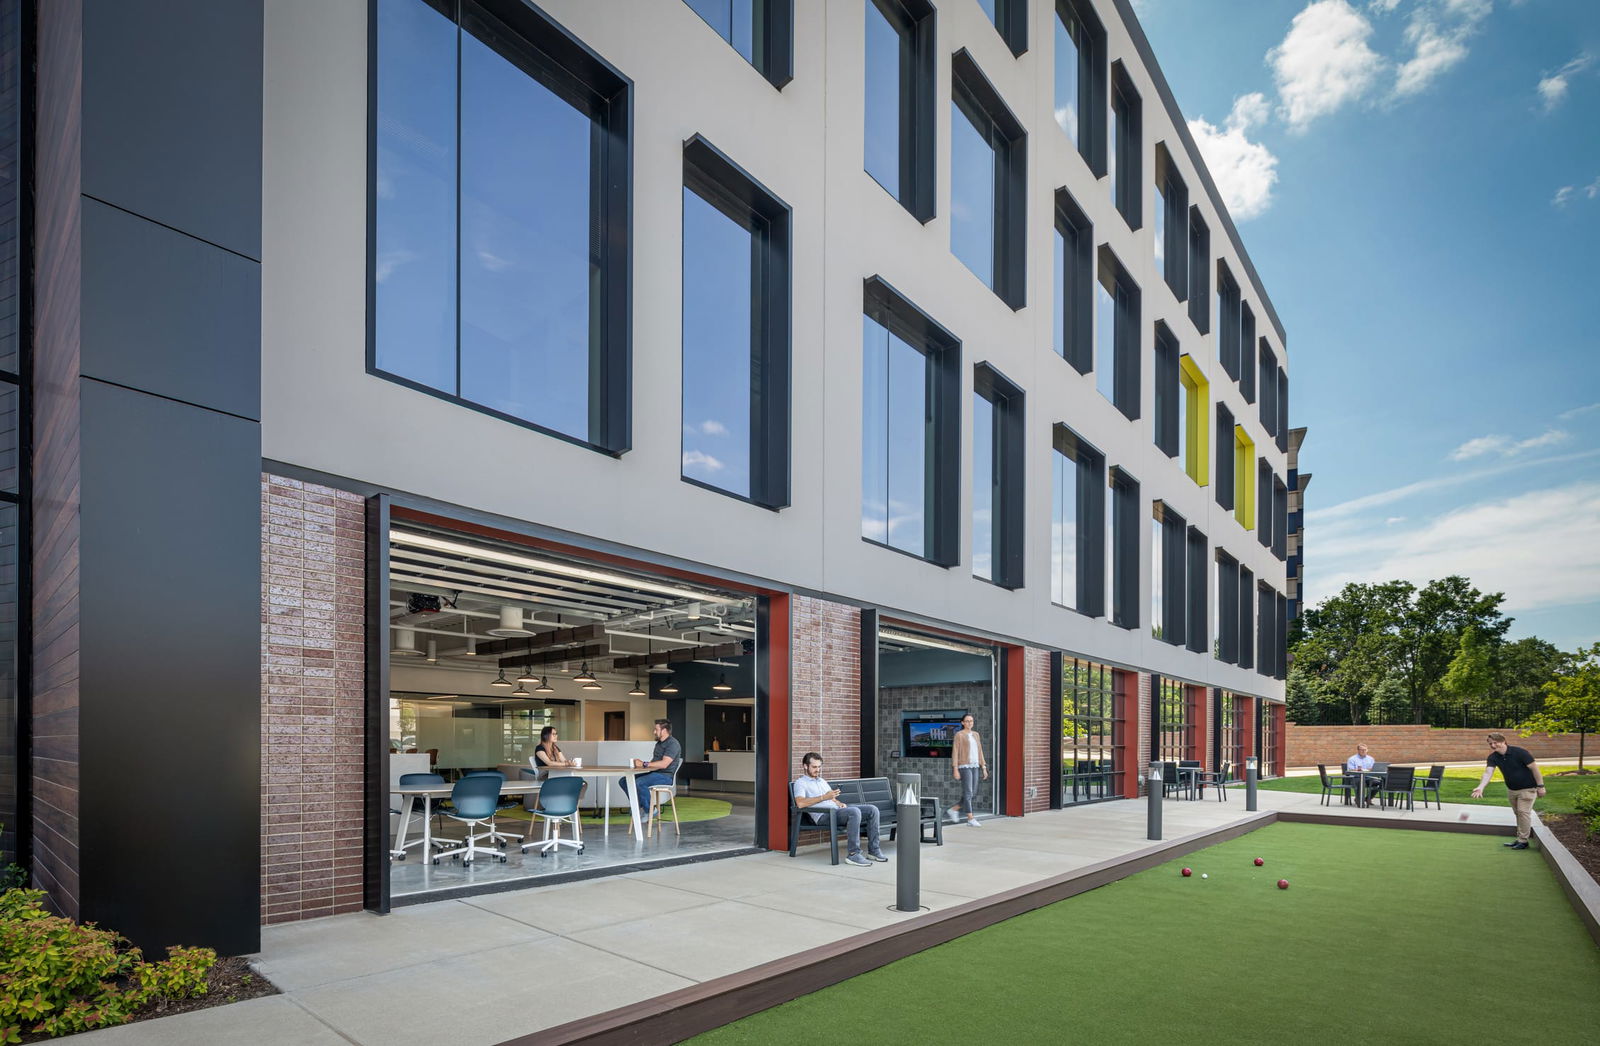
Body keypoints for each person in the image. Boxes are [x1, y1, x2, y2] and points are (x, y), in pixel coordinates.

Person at [791, 752, 887, 866]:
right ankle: (853, 854)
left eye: (819, 766)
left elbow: (830, 798)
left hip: (836, 811)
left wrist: (839, 802)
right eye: (814, 767)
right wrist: (824, 797)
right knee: (854, 812)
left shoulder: (821, 781)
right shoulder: (800, 783)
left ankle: (874, 850)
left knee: (872, 809)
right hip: (824, 816)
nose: (818, 770)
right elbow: (800, 803)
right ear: (805, 766)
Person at [1471, 733, 1546, 849]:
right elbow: (1488, 773)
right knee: (1518, 814)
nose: (1493, 745)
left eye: (1495, 742)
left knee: (1523, 813)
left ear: (1503, 741)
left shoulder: (1520, 752)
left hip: (1528, 788)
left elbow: (1535, 769)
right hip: (1512, 790)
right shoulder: (1493, 757)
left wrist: (1540, 786)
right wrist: (1481, 787)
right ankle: (1520, 838)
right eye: (1490, 743)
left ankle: (1523, 841)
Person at [624, 719, 683, 820]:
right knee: (624, 781)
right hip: (655, 773)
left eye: (656, 729)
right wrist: (641, 765)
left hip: (666, 776)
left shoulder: (673, 744)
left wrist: (644, 763)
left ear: (664, 730)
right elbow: (654, 763)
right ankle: (638, 806)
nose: (654, 732)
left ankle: (650, 810)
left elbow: (664, 764)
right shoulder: (659, 744)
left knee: (639, 782)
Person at [946, 714, 989, 827]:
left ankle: (954, 809)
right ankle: (970, 818)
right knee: (968, 792)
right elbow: (955, 752)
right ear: (962, 723)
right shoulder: (959, 735)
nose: (970, 723)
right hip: (964, 766)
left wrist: (983, 767)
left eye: (971, 721)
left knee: (972, 793)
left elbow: (980, 751)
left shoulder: (976, 734)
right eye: (967, 721)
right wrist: (955, 768)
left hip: (975, 766)